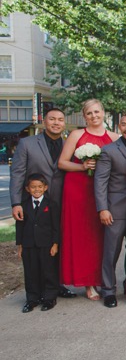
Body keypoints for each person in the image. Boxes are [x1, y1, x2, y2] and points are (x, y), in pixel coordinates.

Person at [9, 107, 76, 299]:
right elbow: (18, 173)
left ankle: (57, 286)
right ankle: (35, 290)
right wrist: (16, 202)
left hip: (61, 203)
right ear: (44, 122)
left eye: (60, 120)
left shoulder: (68, 145)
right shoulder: (27, 143)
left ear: (64, 123)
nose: (56, 123)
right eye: (52, 119)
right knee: (34, 248)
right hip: (33, 205)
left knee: (58, 245)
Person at [58, 99, 119, 300]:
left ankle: (101, 278)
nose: (94, 116)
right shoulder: (77, 135)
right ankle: (87, 282)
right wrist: (82, 167)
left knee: (100, 237)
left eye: (96, 112)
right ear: (85, 116)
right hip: (78, 190)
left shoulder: (113, 137)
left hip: (102, 193)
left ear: (103, 112)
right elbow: (63, 163)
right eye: (89, 113)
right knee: (83, 237)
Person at [94, 113, 126, 308]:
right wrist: (103, 208)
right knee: (111, 251)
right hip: (116, 208)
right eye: (124, 124)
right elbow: (100, 182)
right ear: (119, 127)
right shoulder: (109, 150)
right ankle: (108, 290)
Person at [16, 174, 60, 312]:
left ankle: (49, 298)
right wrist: (20, 245)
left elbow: (56, 226)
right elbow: (20, 226)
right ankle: (32, 299)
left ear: (45, 188)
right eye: (33, 187)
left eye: (40, 187)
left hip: (46, 244)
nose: (36, 189)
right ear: (27, 189)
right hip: (29, 244)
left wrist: (55, 244)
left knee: (48, 271)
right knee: (31, 272)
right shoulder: (23, 205)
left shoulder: (51, 204)